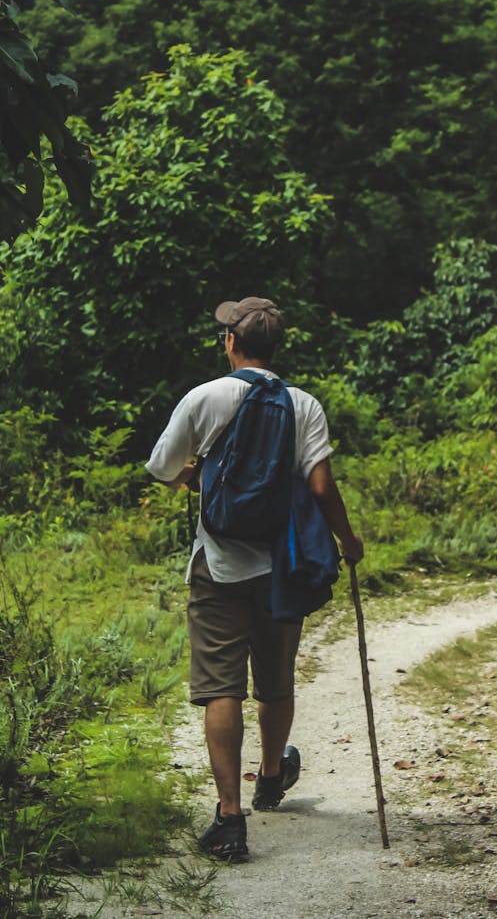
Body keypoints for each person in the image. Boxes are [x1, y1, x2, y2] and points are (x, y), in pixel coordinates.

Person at [146, 296, 364, 859]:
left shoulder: (205, 397)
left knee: (222, 686)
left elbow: (161, 467)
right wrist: (348, 539)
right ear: (276, 348)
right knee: (275, 678)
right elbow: (320, 487)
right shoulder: (303, 405)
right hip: (281, 566)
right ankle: (270, 777)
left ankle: (229, 816)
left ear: (231, 344)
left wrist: (196, 481)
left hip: (217, 563)